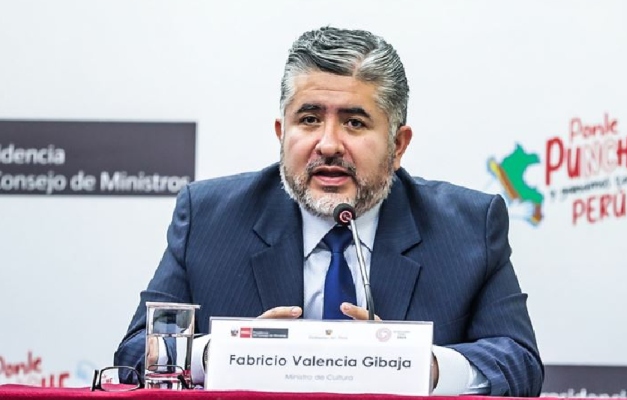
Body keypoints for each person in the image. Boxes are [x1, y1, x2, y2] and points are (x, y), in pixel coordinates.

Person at [114, 26, 543, 396]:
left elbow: (518, 361)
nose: (329, 144)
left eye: (355, 122)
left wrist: (421, 364)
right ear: (282, 133)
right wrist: (221, 354)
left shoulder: (468, 227)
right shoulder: (209, 218)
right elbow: (135, 353)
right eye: (309, 120)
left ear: (398, 145)